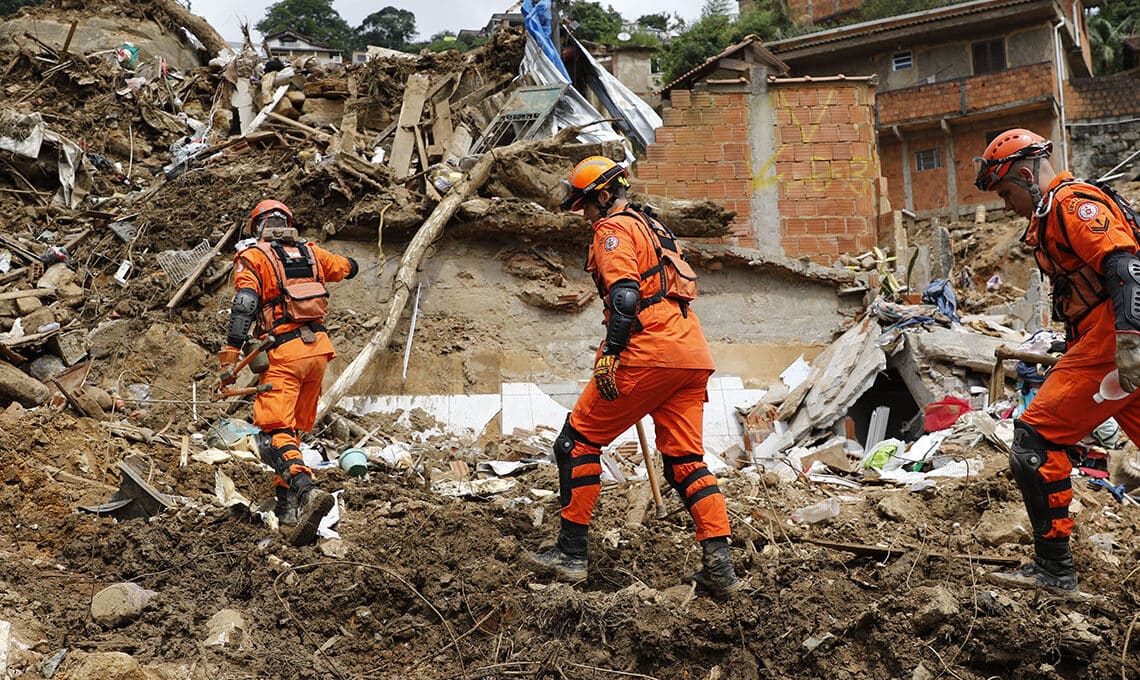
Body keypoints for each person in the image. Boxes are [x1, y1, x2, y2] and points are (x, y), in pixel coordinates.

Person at [522, 156, 743, 596]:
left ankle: (571, 554)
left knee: (576, 442)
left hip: (649, 350)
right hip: (690, 352)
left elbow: (625, 295)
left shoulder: (613, 229)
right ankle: (720, 566)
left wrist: (611, 354)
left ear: (604, 196)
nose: (584, 215)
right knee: (685, 461)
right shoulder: (655, 228)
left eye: (585, 205)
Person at [974, 128, 1140, 594]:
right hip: (1106, 340)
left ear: (1026, 175)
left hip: (1116, 340)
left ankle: (1054, 569)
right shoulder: (1050, 215)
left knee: (1035, 438)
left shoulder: (1072, 204)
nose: (1006, 204)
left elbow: (1124, 265)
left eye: (1006, 192)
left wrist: (1129, 338)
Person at [219, 199, 359, 546]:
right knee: (291, 434)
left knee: (271, 437)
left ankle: (308, 490)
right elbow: (348, 267)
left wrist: (230, 356)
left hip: (284, 353)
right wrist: (347, 263)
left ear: (256, 227)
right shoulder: (311, 252)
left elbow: (245, 304)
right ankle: (287, 512)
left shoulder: (254, 257)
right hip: (318, 352)